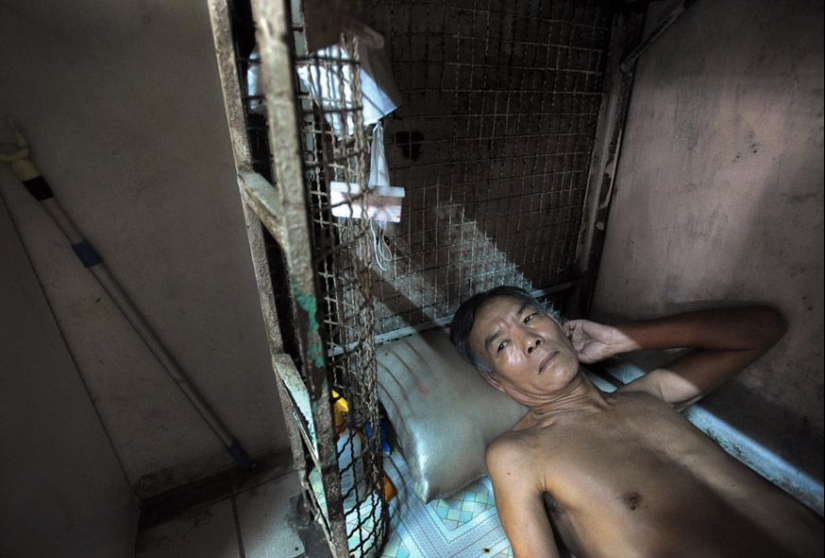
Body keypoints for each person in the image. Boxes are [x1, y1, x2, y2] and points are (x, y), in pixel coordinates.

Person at [450, 286, 823, 558]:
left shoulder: (650, 395)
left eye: (530, 318)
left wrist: (623, 338)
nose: (529, 339)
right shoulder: (519, 453)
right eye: (503, 345)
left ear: (558, 324)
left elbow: (765, 328)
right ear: (494, 380)